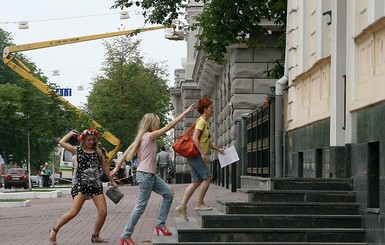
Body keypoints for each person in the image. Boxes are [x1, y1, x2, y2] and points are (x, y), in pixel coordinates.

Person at [111, 104, 194, 245]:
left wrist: (116, 168)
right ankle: (126, 234)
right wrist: (185, 112)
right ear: (151, 123)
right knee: (140, 206)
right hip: (145, 175)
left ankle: (160, 224)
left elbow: (125, 153)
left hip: (150, 175)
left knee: (168, 193)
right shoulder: (149, 136)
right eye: (157, 122)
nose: (159, 125)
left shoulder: (142, 137)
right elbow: (169, 126)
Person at [48, 129, 117, 245]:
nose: (91, 142)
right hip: (81, 184)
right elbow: (62, 143)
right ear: (83, 140)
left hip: (96, 184)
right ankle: (54, 230)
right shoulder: (78, 150)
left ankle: (95, 236)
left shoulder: (98, 152)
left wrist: (112, 181)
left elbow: (105, 167)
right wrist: (71, 134)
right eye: (88, 140)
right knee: (74, 212)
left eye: (93, 140)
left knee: (103, 211)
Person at [176, 97, 224, 221]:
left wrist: (218, 149)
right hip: (196, 154)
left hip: (195, 155)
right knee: (208, 177)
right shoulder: (201, 121)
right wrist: (202, 154)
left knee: (196, 182)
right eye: (211, 108)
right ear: (205, 110)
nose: (213, 110)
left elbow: (205, 141)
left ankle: (182, 206)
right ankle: (199, 203)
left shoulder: (205, 122)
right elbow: (195, 138)